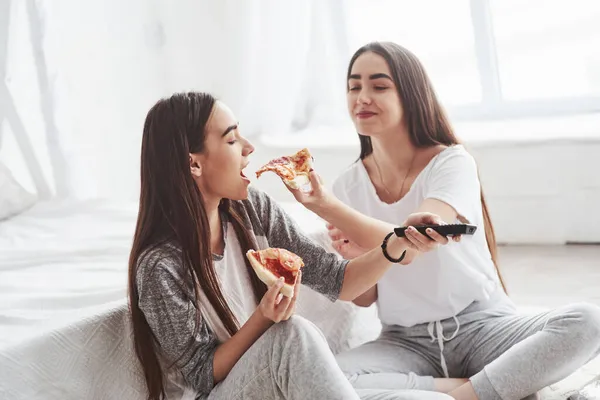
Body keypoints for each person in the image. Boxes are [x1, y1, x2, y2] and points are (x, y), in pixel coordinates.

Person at [286, 42, 600, 400]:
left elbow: (417, 240)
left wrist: (325, 205)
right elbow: (363, 297)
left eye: (379, 85)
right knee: (320, 376)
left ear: (411, 94)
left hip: (482, 327)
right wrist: (357, 256)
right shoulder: (348, 185)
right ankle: (462, 391)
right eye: (354, 86)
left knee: (588, 321)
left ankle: (469, 395)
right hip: (406, 343)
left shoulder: (451, 163)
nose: (363, 97)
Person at [127, 92, 457, 400]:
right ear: (194, 164)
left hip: (262, 379)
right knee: (292, 334)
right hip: (213, 393)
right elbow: (200, 374)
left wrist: (397, 240)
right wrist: (264, 319)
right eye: (231, 139)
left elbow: (338, 280)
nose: (248, 147)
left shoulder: (250, 208)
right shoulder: (160, 266)